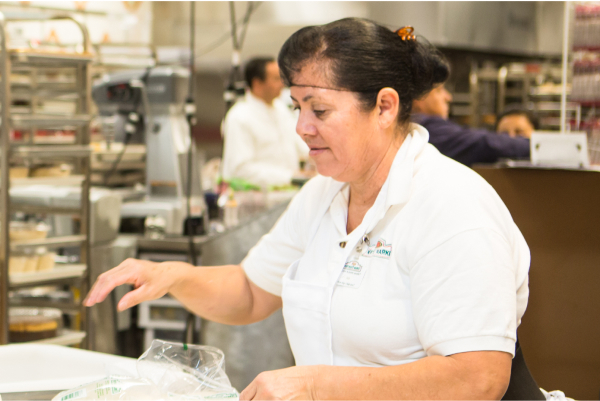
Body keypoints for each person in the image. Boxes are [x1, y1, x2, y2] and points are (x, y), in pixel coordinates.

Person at [85, 19, 544, 399]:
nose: (302, 128)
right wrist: (175, 276)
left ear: (384, 107)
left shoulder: (452, 205)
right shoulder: (325, 194)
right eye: (296, 108)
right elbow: (249, 291)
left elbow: (477, 377)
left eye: (320, 110)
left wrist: (314, 384)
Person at [221, 57, 309, 188]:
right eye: (276, 79)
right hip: (255, 200)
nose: (282, 84)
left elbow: (302, 147)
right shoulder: (239, 117)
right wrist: (289, 176)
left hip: (288, 193)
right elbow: (239, 169)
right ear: (257, 83)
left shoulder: (281, 109)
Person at [412, 84, 531, 167]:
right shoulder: (424, 128)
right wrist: (536, 145)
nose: (448, 97)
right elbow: (484, 144)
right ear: (417, 98)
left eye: (519, 133)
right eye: (439, 90)